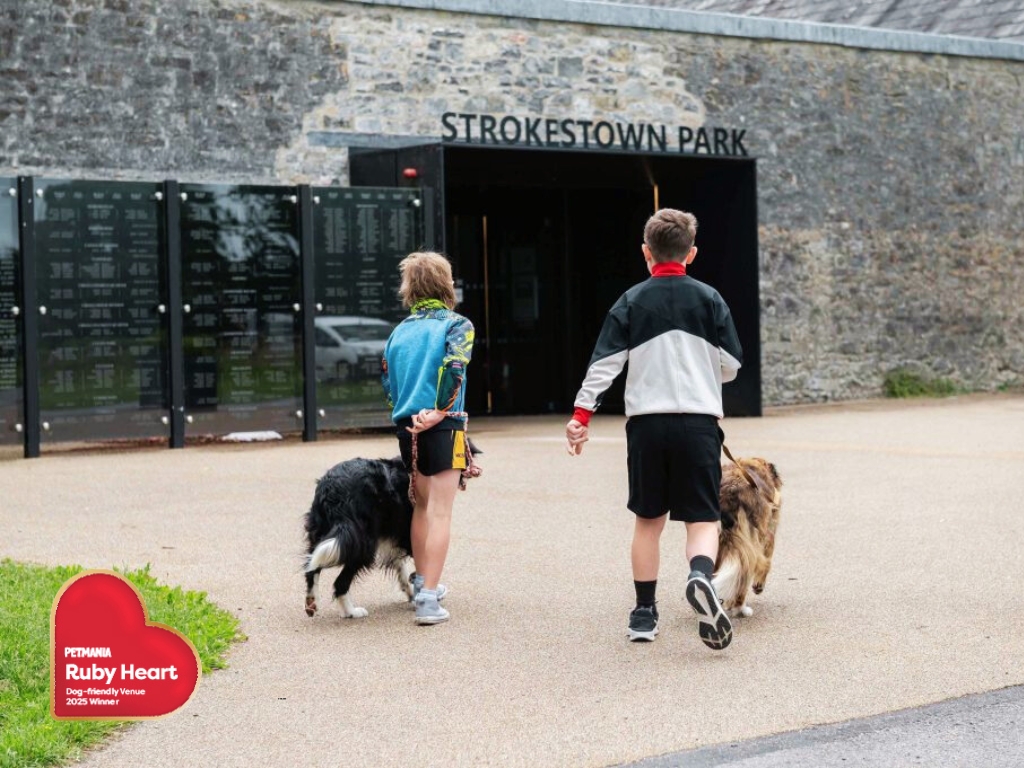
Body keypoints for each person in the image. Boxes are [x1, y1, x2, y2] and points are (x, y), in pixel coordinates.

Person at [565, 208, 742, 649]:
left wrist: (581, 416)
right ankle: (700, 577)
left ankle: (644, 613)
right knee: (702, 518)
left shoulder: (630, 301)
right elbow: (732, 366)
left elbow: (604, 365)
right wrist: (704, 372)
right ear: (692, 253)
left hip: (647, 425)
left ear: (646, 252)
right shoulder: (710, 299)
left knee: (649, 521)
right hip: (698, 424)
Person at [382, 251, 474, 626]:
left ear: (410, 289)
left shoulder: (398, 331)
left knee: (421, 507)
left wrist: (408, 413)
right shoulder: (458, 325)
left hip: (406, 425)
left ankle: (423, 582)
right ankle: (429, 600)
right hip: (443, 423)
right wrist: (437, 410)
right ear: (445, 282)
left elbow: (388, 382)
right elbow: (455, 367)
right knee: (440, 510)